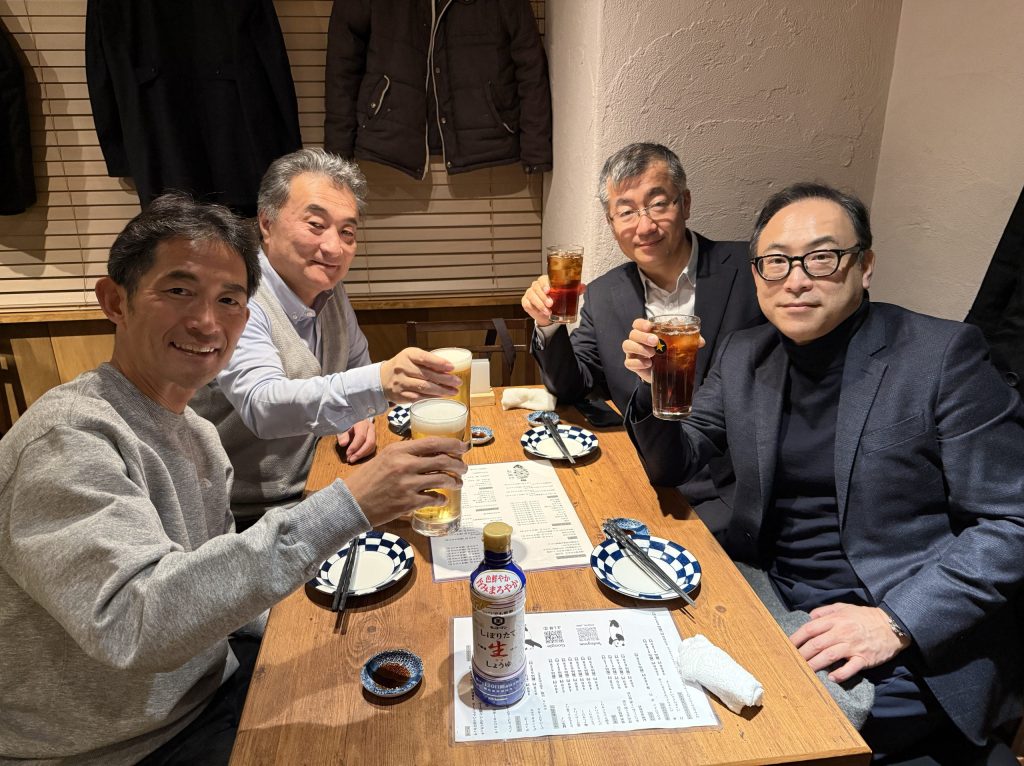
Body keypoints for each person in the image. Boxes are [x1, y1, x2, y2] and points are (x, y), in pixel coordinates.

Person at [0, 194, 468, 765]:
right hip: (120, 746)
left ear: (245, 320)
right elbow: (134, 623)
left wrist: (311, 627)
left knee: (416, 709)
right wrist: (350, 505)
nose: (206, 321)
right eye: (179, 290)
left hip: (208, 686)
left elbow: (216, 581)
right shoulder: (68, 440)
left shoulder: (196, 432)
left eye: (228, 300)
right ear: (115, 301)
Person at [624, 182, 1024, 763]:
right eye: (776, 262)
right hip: (766, 588)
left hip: (895, 624)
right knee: (652, 681)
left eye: (821, 258)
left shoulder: (941, 356)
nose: (796, 280)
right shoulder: (745, 353)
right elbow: (677, 461)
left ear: (865, 266)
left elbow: (1013, 522)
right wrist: (652, 389)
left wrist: (895, 622)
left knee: (772, 736)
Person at [192, 148, 461, 526]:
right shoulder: (236, 297)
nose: (335, 247)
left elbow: (355, 364)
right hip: (246, 515)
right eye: (316, 225)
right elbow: (262, 405)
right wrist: (377, 386)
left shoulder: (329, 290)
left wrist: (361, 415)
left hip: (322, 481)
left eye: (347, 232)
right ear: (266, 223)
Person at [521, 143, 763, 529]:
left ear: (685, 203)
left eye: (658, 204)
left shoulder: (753, 271)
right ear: (611, 222)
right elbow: (572, 386)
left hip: (739, 492)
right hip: (644, 478)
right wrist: (548, 324)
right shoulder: (604, 295)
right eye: (627, 211)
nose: (644, 225)